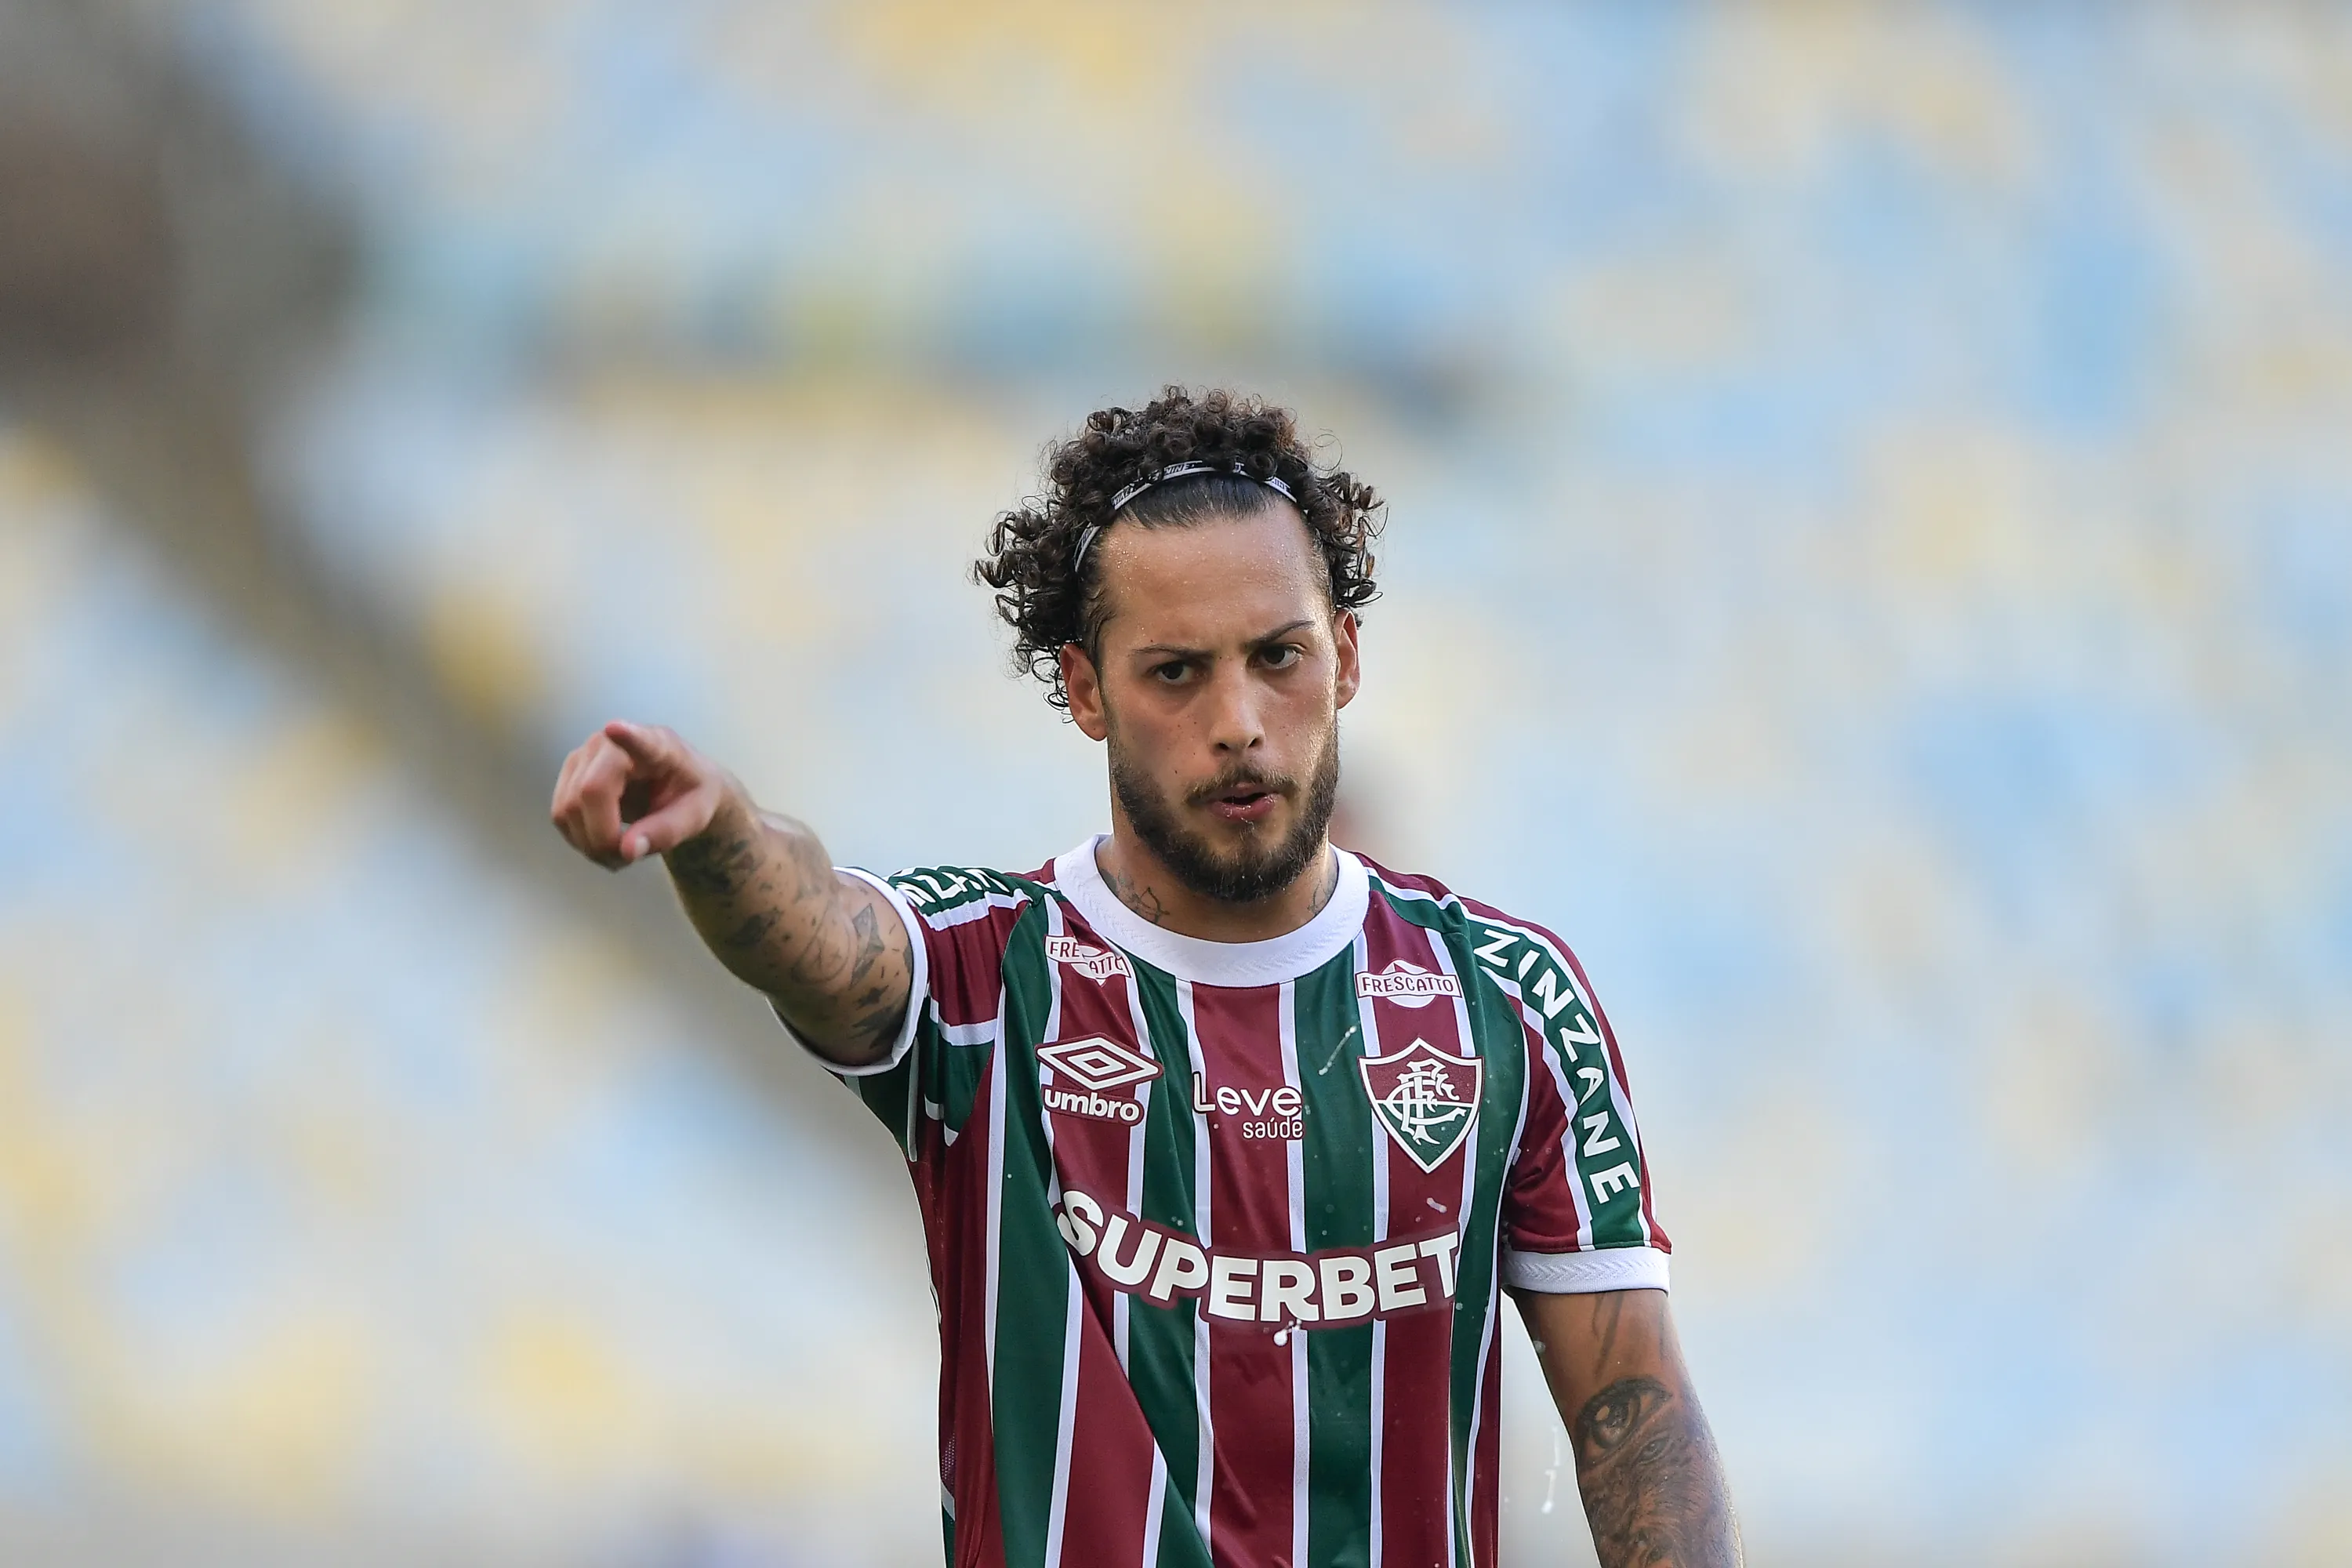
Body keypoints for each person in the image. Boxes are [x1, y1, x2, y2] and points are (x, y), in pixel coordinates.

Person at [549, 387, 1742, 1567]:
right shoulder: (988, 974)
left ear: (1349, 658)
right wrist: (720, 837)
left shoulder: (1507, 999)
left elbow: (1633, 1413)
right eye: (1175, 673)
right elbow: (817, 928)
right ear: (1083, 690)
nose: (1238, 721)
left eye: (1279, 657)